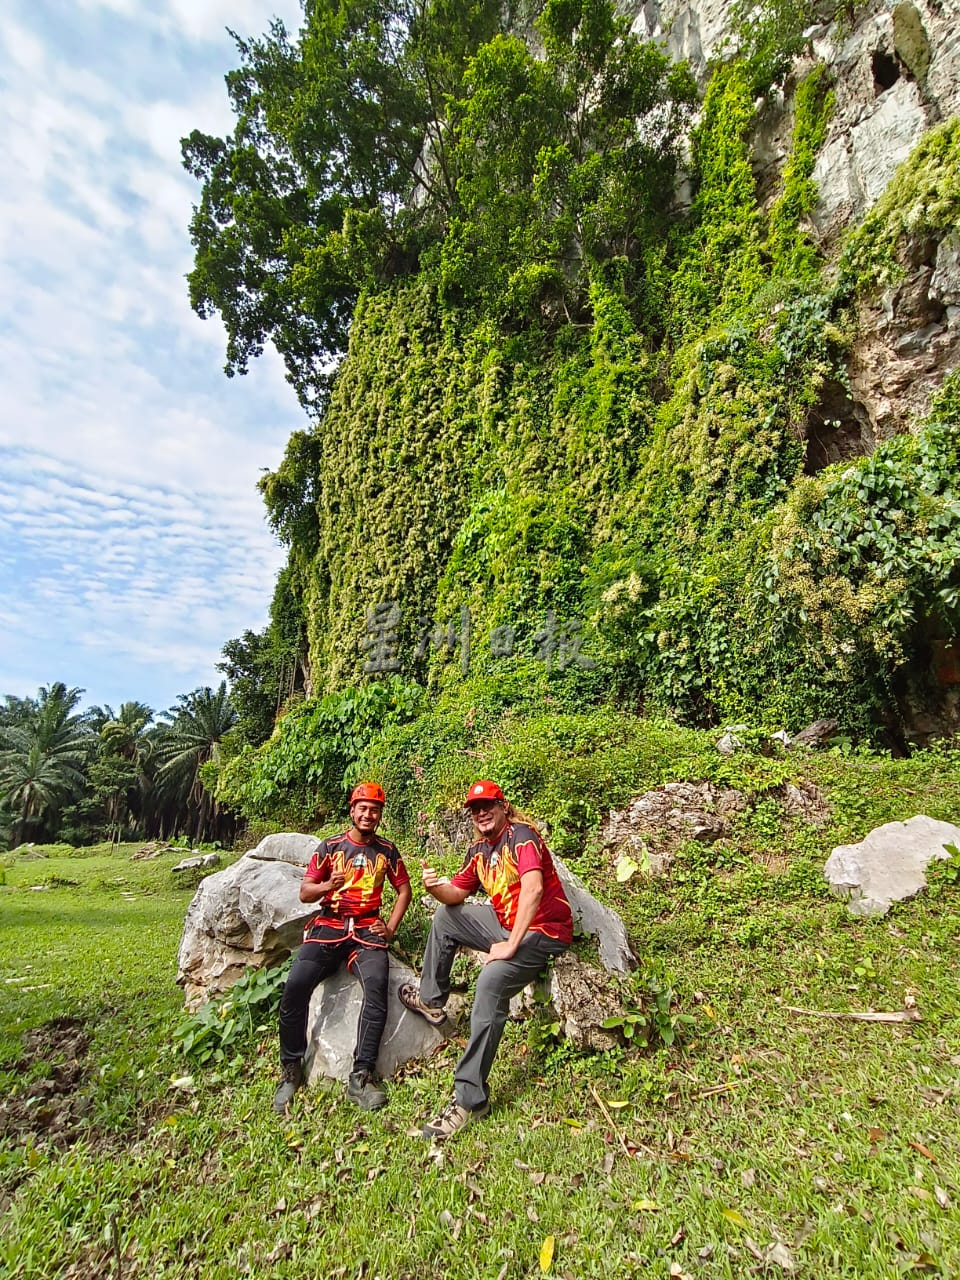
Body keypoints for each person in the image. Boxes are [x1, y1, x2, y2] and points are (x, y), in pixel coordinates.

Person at [400, 780, 573, 1140]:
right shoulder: (480, 850)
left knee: (491, 981)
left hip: (544, 930)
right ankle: (432, 1000)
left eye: (487, 805)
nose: (481, 813)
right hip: (507, 923)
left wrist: (510, 944)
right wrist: (435, 888)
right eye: (475, 808)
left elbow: (534, 889)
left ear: (502, 806)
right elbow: (456, 894)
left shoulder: (522, 836)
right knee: (447, 917)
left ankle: (470, 1099)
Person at [273, 782, 412, 1114]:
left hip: (366, 929)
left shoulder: (387, 851)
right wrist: (327, 885)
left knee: (377, 988)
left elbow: (404, 890)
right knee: (295, 987)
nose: (368, 814)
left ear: (380, 815)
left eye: (374, 809)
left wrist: (390, 928)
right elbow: (305, 892)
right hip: (329, 927)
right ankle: (291, 1068)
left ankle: (361, 1076)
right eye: (362, 808)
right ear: (352, 811)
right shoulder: (331, 846)